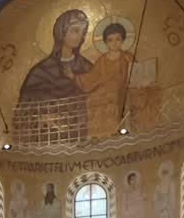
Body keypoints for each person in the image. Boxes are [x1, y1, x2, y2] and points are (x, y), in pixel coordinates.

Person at [15, 9, 91, 142]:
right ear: (62, 32)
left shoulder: (86, 67)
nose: (79, 36)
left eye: (83, 32)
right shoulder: (41, 71)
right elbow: (23, 111)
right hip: (47, 138)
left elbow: (96, 98)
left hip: (80, 137)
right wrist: (42, 116)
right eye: (75, 31)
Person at [75, 22, 132, 139]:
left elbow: (134, 73)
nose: (114, 43)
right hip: (103, 89)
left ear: (122, 40)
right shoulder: (102, 60)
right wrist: (75, 77)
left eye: (117, 39)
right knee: (91, 99)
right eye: (110, 40)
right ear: (106, 42)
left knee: (111, 96)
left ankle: (113, 131)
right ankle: (96, 134)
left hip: (121, 89)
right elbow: (93, 77)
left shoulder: (127, 57)